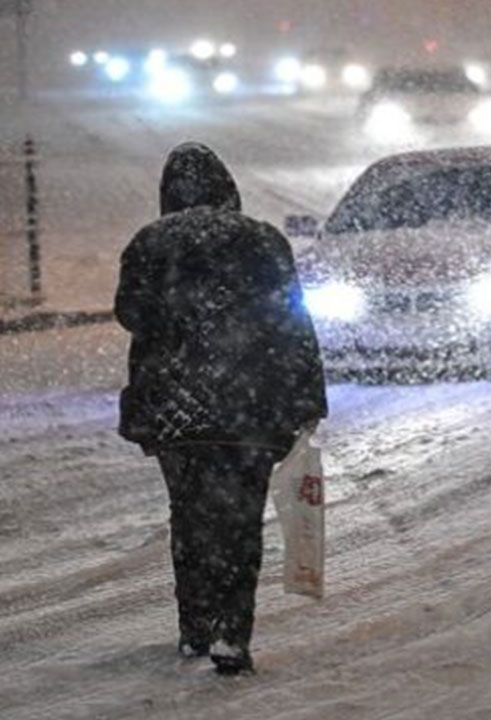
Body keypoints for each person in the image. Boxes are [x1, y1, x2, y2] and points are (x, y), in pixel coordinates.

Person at [115, 142, 327, 676]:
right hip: (249, 409)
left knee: (189, 516)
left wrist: (179, 315)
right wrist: (307, 400)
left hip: (175, 412)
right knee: (239, 520)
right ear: (228, 189)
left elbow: (131, 313)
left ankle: (194, 627)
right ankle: (232, 633)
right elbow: (294, 326)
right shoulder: (263, 241)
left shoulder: (149, 242)